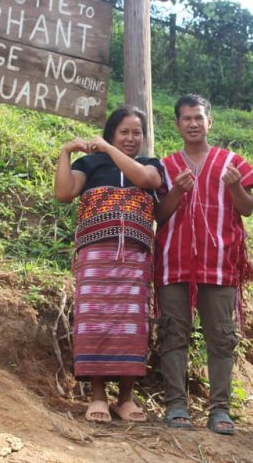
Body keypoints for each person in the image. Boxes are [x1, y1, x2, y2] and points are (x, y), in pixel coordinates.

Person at [155, 94, 253, 435]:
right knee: (173, 334)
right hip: (174, 263)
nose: (193, 123)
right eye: (186, 118)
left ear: (209, 122)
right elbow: (158, 215)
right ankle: (176, 405)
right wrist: (176, 193)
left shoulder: (232, 163)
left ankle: (220, 409)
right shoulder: (165, 167)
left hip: (220, 264)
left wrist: (234, 188)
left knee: (221, 338)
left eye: (199, 117)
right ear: (177, 124)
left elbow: (247, 209)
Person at [54, 106, 163, 424]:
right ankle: (98, 397)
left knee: (132, 325)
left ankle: (126, 399)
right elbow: (64, 192)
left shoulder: (149, 165)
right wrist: (65, 152)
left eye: (137, 133)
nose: (131, 138)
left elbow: (147, 180)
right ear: (111, 133)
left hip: (135, 257)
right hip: (95, 258)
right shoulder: (90, 164)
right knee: (95, 323)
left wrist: (109, 149)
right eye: (124, 132)